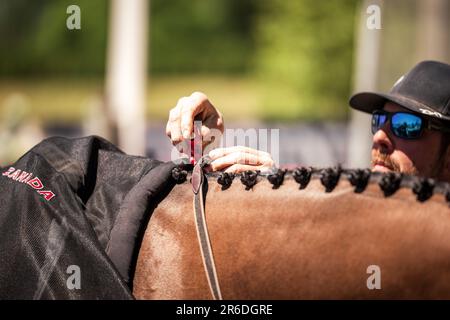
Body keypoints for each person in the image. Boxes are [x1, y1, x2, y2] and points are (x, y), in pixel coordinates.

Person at [166, 60, 450, 182]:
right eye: (379, 121)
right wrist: (273, 187)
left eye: (406, 125)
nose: (379, 137)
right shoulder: (358, 207)